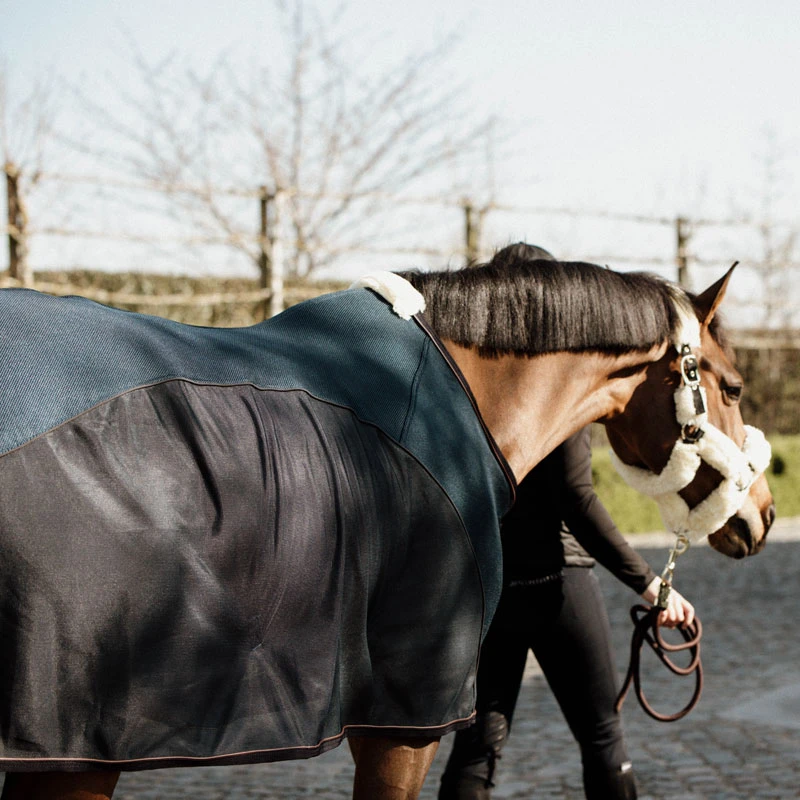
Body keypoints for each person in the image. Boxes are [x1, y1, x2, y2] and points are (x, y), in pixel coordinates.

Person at [437, 244, 695, 800]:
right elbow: (576, 499)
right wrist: (650, 584)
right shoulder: (558, 385)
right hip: (559, 586)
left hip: (492, 586)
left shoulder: (469, 382)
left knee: (477, 747)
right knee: (602, 737)